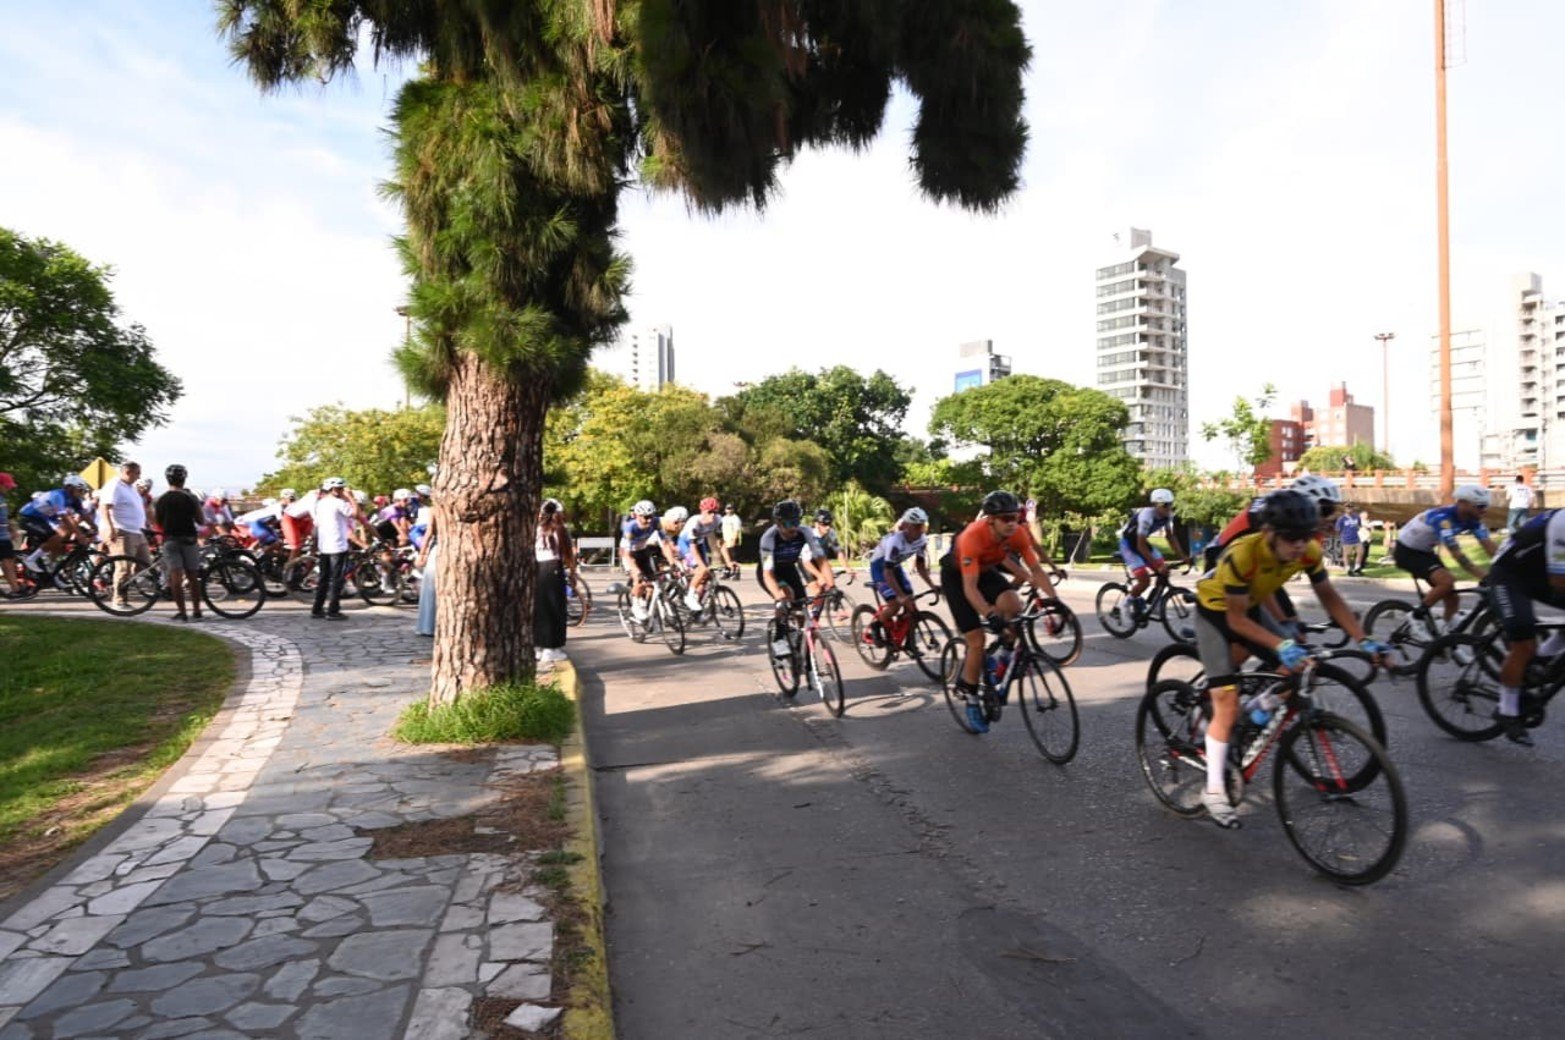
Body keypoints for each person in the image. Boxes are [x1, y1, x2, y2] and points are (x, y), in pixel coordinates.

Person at [1193, 490, 1383, 828]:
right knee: (1226, 700)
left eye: (1306, 536)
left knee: (1300, 666)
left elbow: (1329, 597)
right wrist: (1279, 644)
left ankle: (1258, 710)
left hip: (1250, 605)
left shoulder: (1307, 552)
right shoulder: (1242, 555)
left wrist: (1363, 638)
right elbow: (1236, 621)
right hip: (1216, 611)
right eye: (1291, 538)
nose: (1300, 545)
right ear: (1269, 533)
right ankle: (1214, 790)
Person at [939, 490, 1056, 734]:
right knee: (977, 640)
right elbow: (970, 588)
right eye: (1005, 518)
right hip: (958, 578)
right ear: (990, 519)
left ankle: (1002, 657)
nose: (1012, 523)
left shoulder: (1018, 533)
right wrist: (989, 614)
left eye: (1014, 517)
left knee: (1014, 604)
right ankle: (970, 695)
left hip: (985, 570)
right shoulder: (972, 536)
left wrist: (1056, 605)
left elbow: (1036, 570)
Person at [1482, 508, 1565, 746]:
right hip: (1510, 576)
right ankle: (1507, 711)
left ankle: (1540, 662)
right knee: (1524, 645)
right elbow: (1560, 583)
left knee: (1534, 655)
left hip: (1541, 572)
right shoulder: (1563, 524)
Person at [1393, 485, 1499, 632]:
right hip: (1406, 551)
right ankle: (1416, 616)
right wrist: (1483, 576)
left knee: (1452, 598)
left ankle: (1446, 637)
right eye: (1480, 506)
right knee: (1447, 582)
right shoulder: (1442, 519)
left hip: (1425, 551)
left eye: (1486, 506)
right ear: (1462, 503)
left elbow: (1490, 547)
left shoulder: (1472, 520)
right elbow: (1457, 555)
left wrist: (1510, 567)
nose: (1484, 510)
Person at [757, 501, 836, 653]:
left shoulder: (805, 531)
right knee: (786, 595)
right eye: (788, 523)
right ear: (778, 523)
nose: (794, 527)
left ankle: (799, 648)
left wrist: (832, 586)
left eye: (797, 521)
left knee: (801, 612)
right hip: (771, 572)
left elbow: (822, 560)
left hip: (788, 568)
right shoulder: (769, 537)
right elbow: (768, 573)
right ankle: (779, 638)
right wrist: (778, 596)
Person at [867, 507, 936, 640]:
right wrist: (900, 596)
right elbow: (887, 572)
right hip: (880, 567)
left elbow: (920, 566)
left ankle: (908, 641)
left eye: (922, 527)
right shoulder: (895, 542)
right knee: (895, 605)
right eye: (916, 527)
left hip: (895, 566)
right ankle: (876, 624)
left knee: (911, 602)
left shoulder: (922, 540)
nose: (920, 531)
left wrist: (932, 585)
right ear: (908, 527)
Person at [1118, 488, 1190, 618]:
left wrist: (1183, 556)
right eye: (1165, 505)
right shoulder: (1146, 516)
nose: (1169, 508)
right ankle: (1125, 604)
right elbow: (1140, 546)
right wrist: (1157, 567)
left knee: (1164, 573)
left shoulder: (1168, 515)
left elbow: (1170, 537)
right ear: (1155, 505)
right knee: (1144, 580)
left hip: (1142, 543)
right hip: (1129, 544)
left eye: (1170, 504)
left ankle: (1153, 604)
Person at [154, 465, 207, 621]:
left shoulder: (161, 499)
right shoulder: (191, 497)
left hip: (170, 540)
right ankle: (197, 610)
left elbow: (158, 521)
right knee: (192, 576)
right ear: (184, 479)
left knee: (175, 577)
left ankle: (182, 612)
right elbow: (201, 520)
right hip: (189, 539)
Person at [101, 460, 152, 608]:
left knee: (145, 564)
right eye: (137, 473)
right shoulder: (114, 486)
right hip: (122, 531)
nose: (139, 476)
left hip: (136, 531)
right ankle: (119, 600)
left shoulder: (130, 488)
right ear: (127, 472)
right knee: (124, 567)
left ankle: (118, 587)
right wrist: (110, 528)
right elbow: (104, 508)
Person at [17, 475, 93, 574]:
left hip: (47, 518)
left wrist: (94, 526)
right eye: (79, 490)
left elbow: (84, 514)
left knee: (66, 534)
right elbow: (65, 517)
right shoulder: (57, 495)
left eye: (82, 490)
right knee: (58, 536)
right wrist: (79, 534)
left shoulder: (75, 499)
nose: (81, 492)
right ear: (69, 488)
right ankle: (31, 559)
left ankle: (52, 567)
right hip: (30, 518)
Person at [535, 498, 578, 666]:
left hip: (537, 569)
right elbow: (567, 554)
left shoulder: (535, 530)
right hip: (553, 569)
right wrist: (572, 572)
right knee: (555, 609)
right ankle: (551, 649)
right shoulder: (559, 530)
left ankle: (537, 646)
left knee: (539, 608)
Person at [620, 501, 678, 622]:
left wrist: (672, 563)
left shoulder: (656, 522)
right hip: (628, 554)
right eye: (646, 517)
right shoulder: (631, 528)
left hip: (642, 551)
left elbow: (666, 544)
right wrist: (636, 570)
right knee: (639, 580)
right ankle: (635, 605)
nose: (650, 520)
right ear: (637, 516)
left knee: (652, 585)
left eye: (651, 516)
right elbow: (627, 554)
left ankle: (646, 608)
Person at [311, 477, 361, 619]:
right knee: (337, 579)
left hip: (324, 545)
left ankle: (317, 609)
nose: (341, 491)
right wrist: (351, 498)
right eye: (339, 489)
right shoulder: (339, 503)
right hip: (337, 545)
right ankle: (333, 610)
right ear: (333, 490)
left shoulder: (320, 503)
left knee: (324, 578)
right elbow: (356, 514)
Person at [677, 497, 731, 610]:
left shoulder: (718, 520)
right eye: (709, 512)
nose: (712, 515)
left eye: (715, 512)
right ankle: (689, 596)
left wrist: (729, 562)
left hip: (700, 543)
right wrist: (701, 566)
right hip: (686, 544)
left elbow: (721, 543)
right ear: (702, 512)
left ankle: (696, 603)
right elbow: (693, 548)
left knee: (706, 576)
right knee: (702, 569)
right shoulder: (695, 523)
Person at [415, 508, 439, 637]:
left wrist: (422, 553)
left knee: (431, 588)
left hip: (439, 547)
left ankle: (428, 624)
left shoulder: (435, 509)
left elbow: (429, 532)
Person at [0, 471, 21, 597]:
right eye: (6, 486)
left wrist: (11, 529)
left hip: (3, 536)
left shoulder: (2, 499)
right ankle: (16, 589)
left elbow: (4, 517)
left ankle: (16, 589)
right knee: (8, 562)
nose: (8, 488)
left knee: (8, 561)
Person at [1335, 501, 1365, 576]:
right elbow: (1338, 529)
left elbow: (1359, 526)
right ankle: (1348, 568)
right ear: (1345, 509)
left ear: (1353, 508)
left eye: (1351, 508)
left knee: (1361, 552)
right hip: (1346, 539)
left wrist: (1357, 529)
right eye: (1348, 508)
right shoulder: (1341, 519)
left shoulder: (1357, 517)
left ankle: (1357, 568)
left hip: (1356, 538)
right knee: (1347, 555)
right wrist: (1342, 537)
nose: (1349, 509)